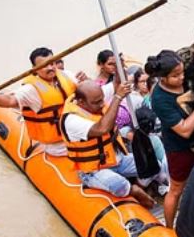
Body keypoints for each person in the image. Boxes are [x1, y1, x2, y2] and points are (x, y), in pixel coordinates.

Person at [145, 50, 194, 228]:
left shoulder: (186, 79)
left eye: (183, 72)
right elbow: (184, 130)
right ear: (163, 77)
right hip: (180, 147)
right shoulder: (160, 99)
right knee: (176, 189)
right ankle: (169, 227)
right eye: (176, 75)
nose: (182, 77)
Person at [59, 80, 156, 208]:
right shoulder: (72, 120)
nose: (101, 105)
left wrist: (117, 64)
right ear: (81, 102)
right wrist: (117, 97)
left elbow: (117, 82)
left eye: (102, 100)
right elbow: (102, 129)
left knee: (153, 165)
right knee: (120, 185)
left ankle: (141, 186)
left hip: (116, 159)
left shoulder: (95, 96)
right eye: (96, 102)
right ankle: (135, 192)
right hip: (94, 170)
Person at [0, 47, 85, 157]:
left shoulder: (67, 75)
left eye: (52, 63)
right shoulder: (30, 90)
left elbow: (90, 95)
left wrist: (87, 80)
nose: (50, 68)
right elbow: (9, 101)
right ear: (35, 69)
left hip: (78, 135)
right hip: (59, 147)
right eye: (45, 65)